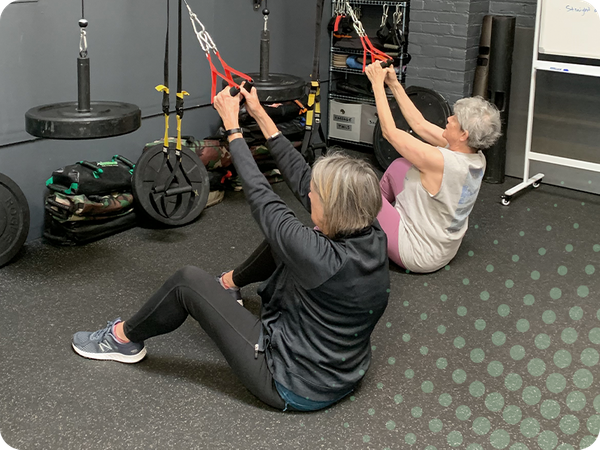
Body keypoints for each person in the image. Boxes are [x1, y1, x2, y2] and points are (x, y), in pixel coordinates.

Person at [71, 83, 390, 412]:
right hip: (343, 372)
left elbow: (262, 198)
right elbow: (301, 178)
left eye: (316, 195)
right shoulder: (370, 229)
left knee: (188, 281)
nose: (309, 194)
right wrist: (259, 114)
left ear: (335, 206)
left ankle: (121, 340)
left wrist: (233, 129)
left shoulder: (319, 256)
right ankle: (230, 284)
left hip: (292, 385)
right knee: (285, 238)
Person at [365, 61, 502, 273]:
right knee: (401, 165)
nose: (448, 119)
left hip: (417, 252)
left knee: (361, 194)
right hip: (442, 247)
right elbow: (419, 124)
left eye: (454, 120)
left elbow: (390, 133)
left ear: (464, 134)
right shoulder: (473, 155)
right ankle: (376, 219)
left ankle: (360, 221)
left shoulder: (442, 162)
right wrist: (393, 84)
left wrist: (376, 84)